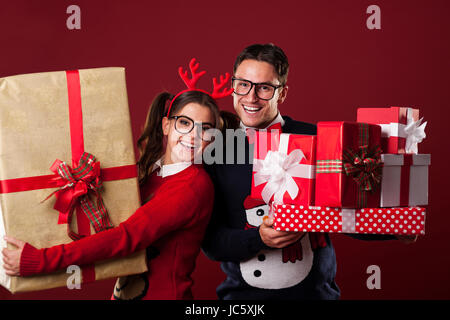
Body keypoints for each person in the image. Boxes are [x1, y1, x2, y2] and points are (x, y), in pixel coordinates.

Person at [201, 43, 416, 300]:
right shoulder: (216, 150)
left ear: (282, 93)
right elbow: (212, 242)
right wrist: (259, 239)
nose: (251, 97)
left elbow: (346, 213)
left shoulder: (317, 138)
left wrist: (395, 228)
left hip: (315, 295)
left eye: (265, 88)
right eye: (243, 84)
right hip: (242, 300)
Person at [1, 59, 229, 300]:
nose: (193, 136)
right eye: (185, 123)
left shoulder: (192, 186)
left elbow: (126, 237)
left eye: (205, 129)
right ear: (166, 126)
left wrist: (40, 260)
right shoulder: (152, 172)